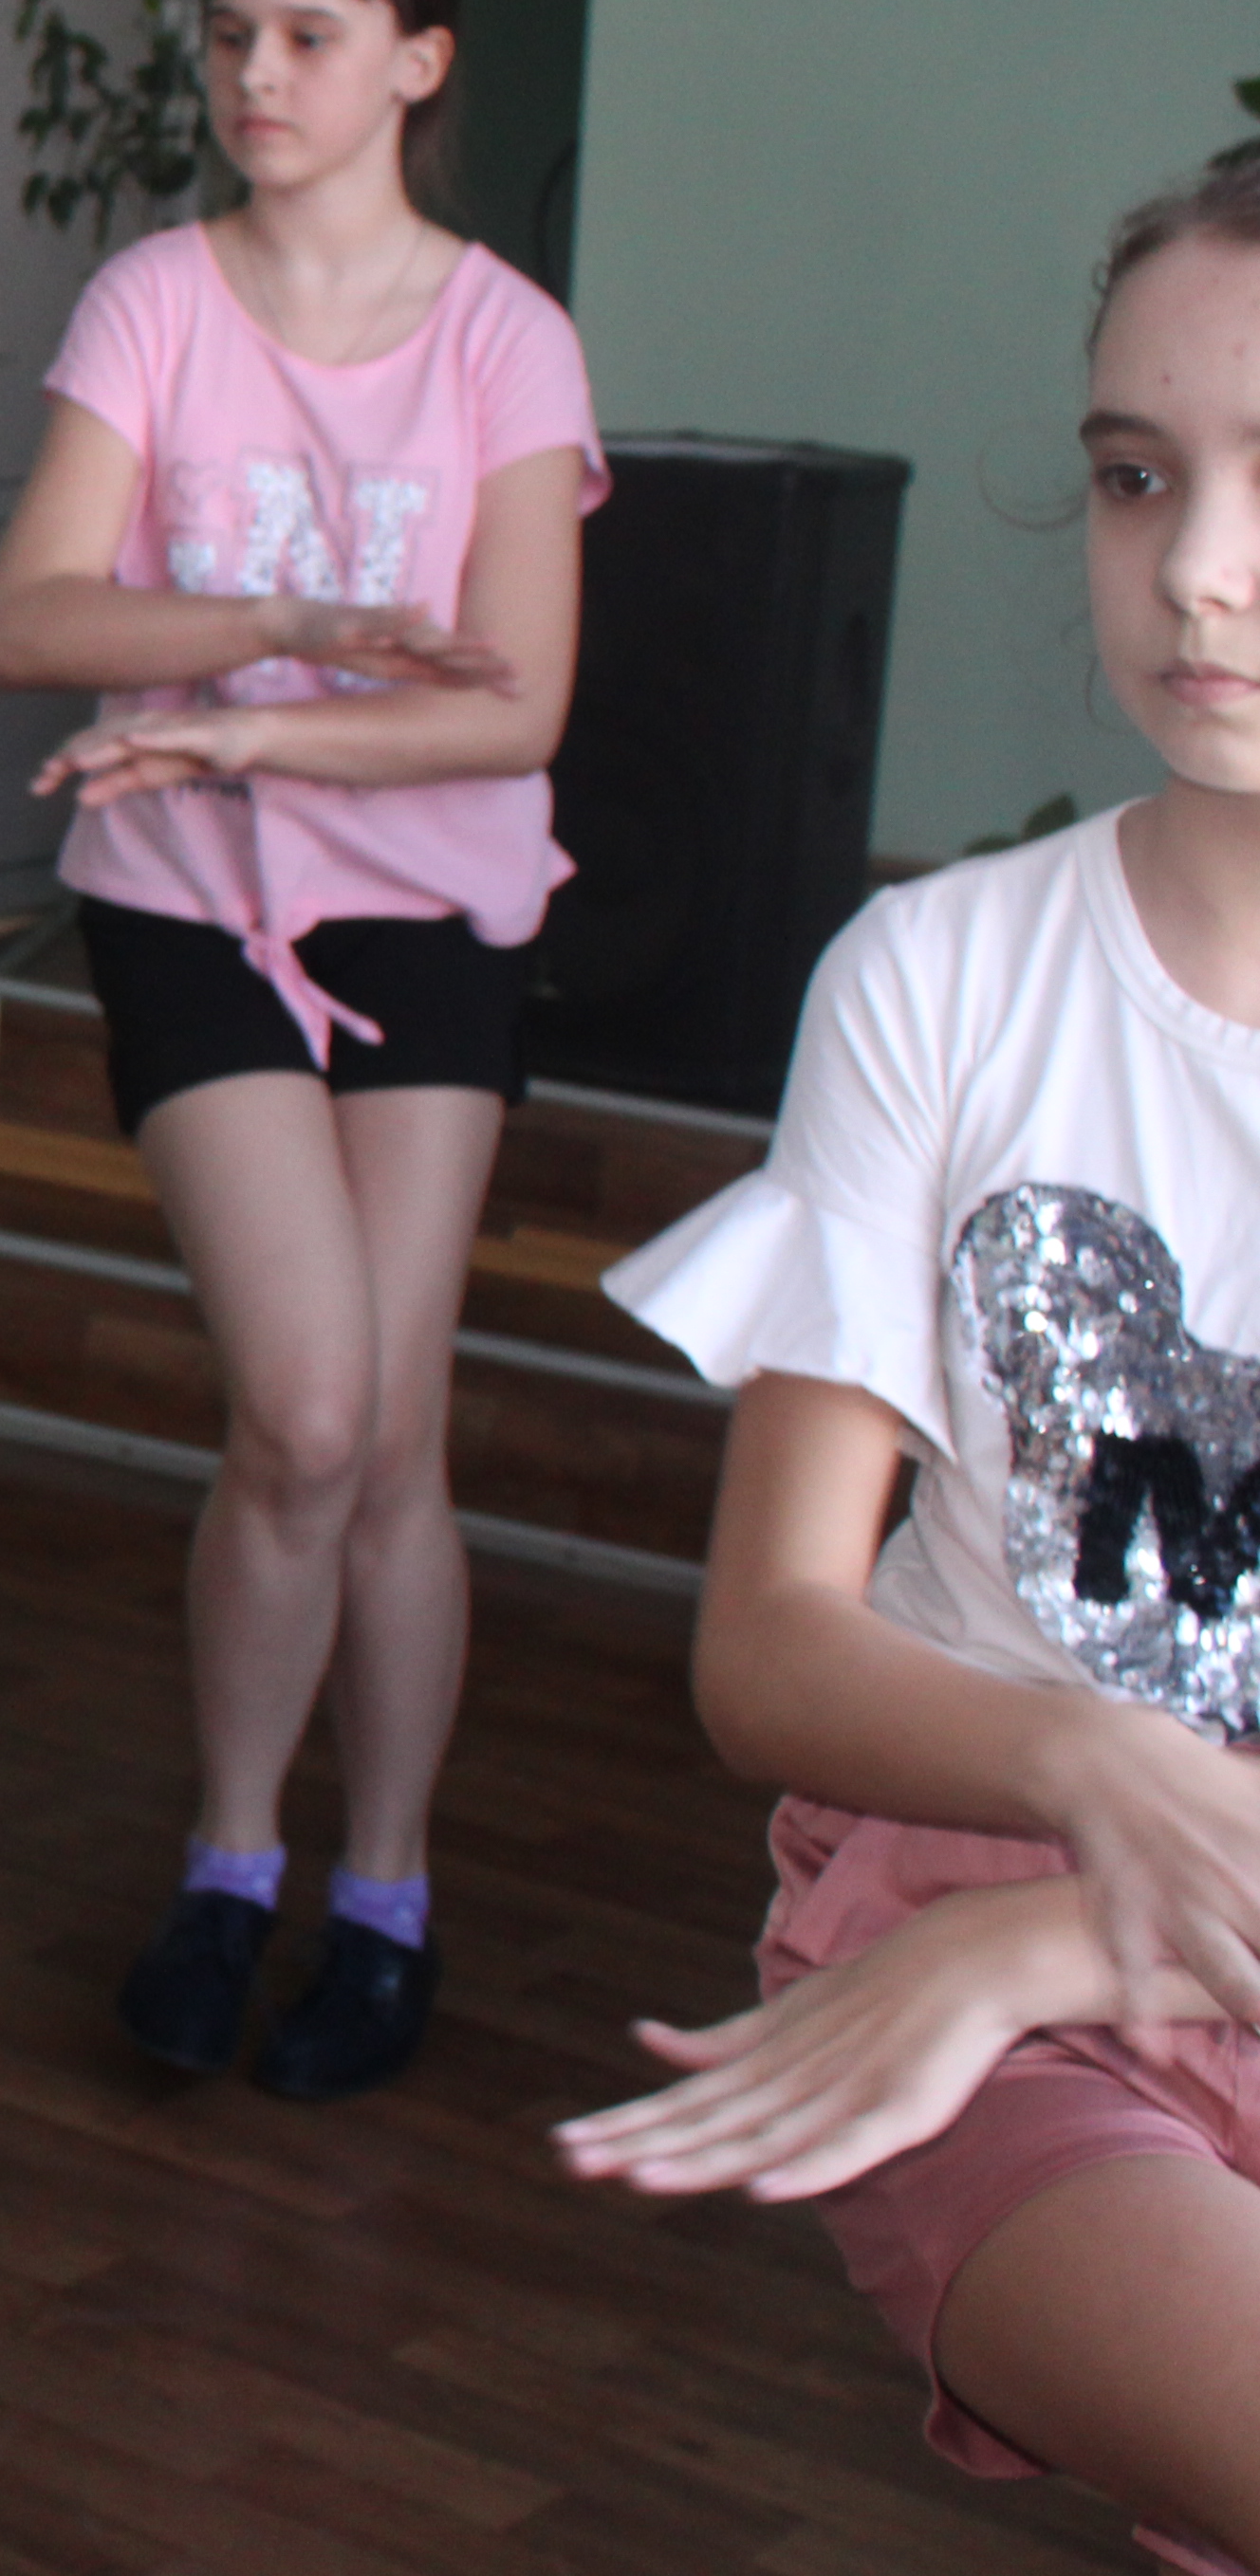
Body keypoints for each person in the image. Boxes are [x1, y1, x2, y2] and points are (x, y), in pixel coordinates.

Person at [560, 154, 1260, 2572]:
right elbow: (770, 1643)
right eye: (1134, 476)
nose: (1195, 567)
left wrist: (1072, 1920)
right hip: (987, 1952)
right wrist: (1078, 1774)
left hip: (1041, 1941)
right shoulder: (937, 978)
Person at [0, 0, 602, 2100]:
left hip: (426, 909)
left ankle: (386, 1891)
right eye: (232, 28)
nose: (256, 69)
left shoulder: (503, 338)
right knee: (309, 1409)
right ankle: (230, 1863)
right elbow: (31, 614)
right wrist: (294, 632)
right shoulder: (155, 299)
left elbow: (514, 707)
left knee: (394, 1435)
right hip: (183, 901)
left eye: (309, 33)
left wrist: (249, 724)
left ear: (416, 64)